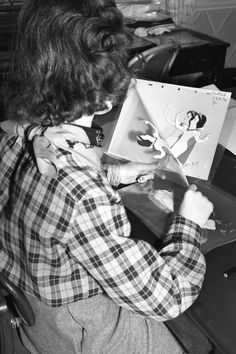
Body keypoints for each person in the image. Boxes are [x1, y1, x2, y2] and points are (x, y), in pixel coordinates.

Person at [0, 0, 214, 353]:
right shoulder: (85, 198)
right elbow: (166, 299)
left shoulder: (17, 137)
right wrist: (188, 224)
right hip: (87, 335)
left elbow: (52, 203)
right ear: (103, 98)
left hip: (41, 323)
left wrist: (114, 172)